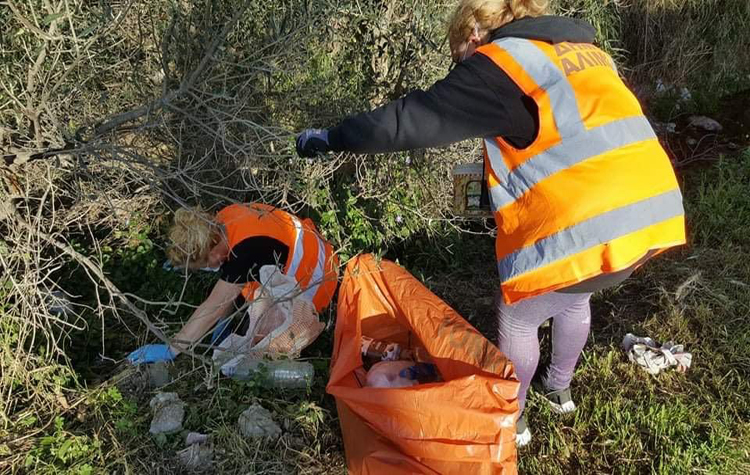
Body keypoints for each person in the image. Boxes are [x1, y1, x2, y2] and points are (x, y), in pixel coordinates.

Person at [295, 0, 685, 446]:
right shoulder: (578, 50)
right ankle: (559, 391)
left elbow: (409, 120)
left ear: (473, 37)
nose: (460, 67)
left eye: (457, 57)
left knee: (517, 315)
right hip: (648, 213)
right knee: (573, 295)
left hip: (592, 222)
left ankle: (511, 419)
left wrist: (332, 137)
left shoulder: (499, 63)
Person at [127, 203, 339, 365]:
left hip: (317, 281)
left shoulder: (246, 251)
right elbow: (229, 284)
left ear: (212, 250)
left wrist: (172, 349)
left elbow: (215, 305)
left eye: (204, 264)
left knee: (257, 351)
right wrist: (224, 318)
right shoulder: (224, 218)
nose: (209, 267)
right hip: (313, 247)